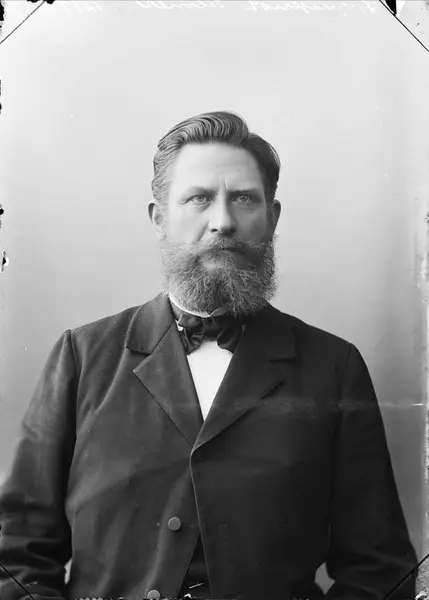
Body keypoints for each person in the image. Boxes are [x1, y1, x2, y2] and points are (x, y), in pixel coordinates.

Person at [0, 111, 417, 600]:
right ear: (159, 218)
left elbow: (379, 571)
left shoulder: (333, 368)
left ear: (272, 217)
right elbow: (18, 554)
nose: (223, 221)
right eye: (198, 198)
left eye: (243, 198)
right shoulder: (82, 357)